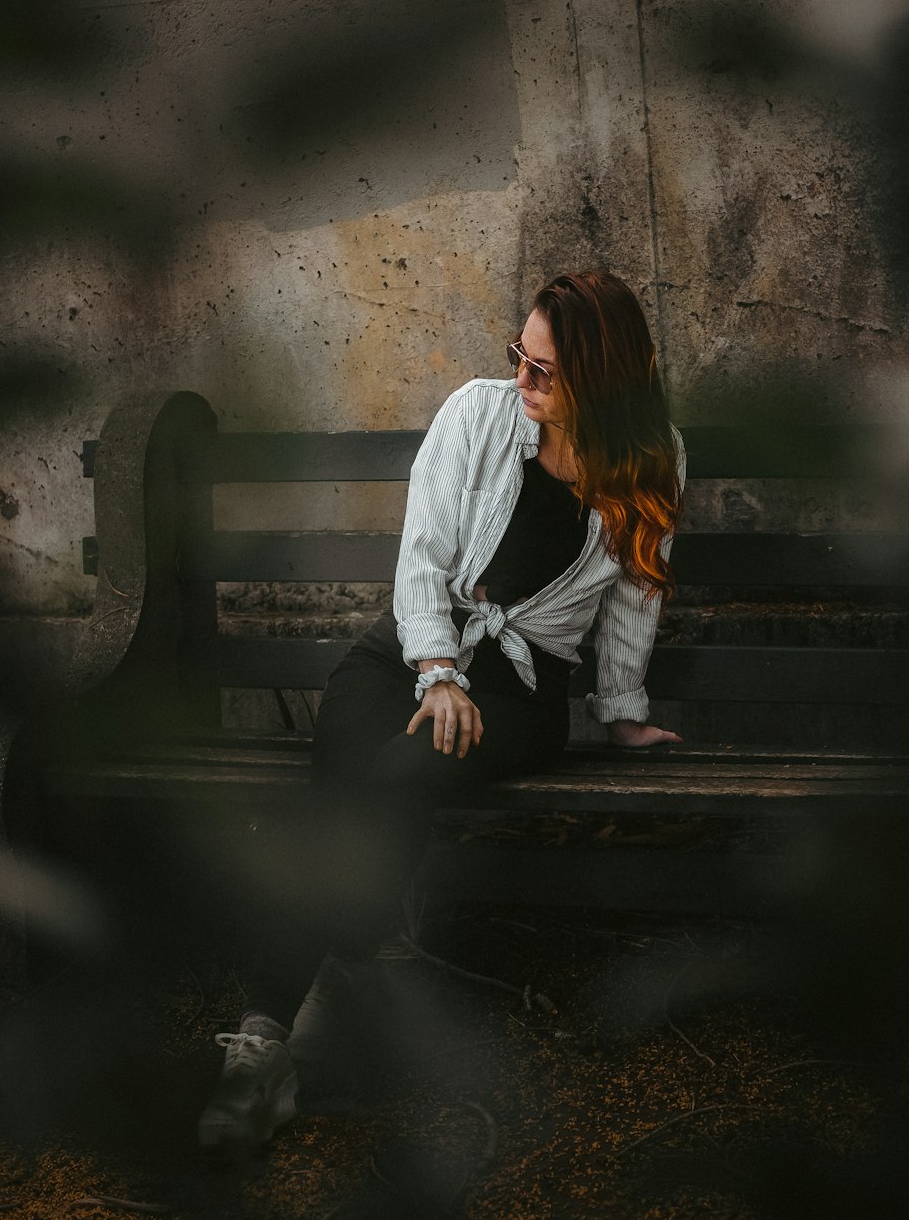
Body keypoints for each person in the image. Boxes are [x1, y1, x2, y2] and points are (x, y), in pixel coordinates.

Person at [196, 269, 686, 1157]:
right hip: (402, 656)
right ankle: (289, 1037)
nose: (522, 380)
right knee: (348, 779)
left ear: (603, 379)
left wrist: (620, 710)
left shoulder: (653, 457)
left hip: (519, 693)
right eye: (520, 358)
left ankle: (274, 1044)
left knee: (390, 779)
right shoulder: (477, 412)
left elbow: (637, 595)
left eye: (545, 371)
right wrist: (434, 669)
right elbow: (420, 553)